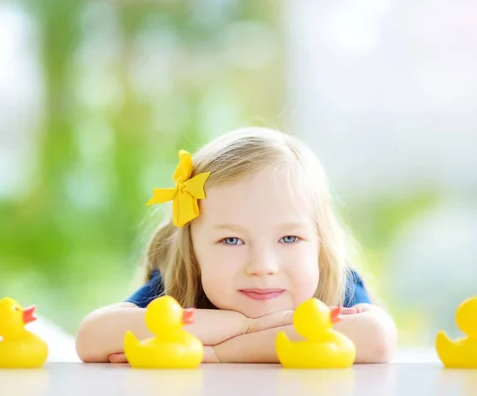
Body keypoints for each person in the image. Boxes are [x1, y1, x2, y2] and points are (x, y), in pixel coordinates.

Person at [76, 127, 397, 363]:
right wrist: (245, 324)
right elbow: (92, 337)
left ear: (319, 244)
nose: (262, 266)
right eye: (232, 240)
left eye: (289, 238)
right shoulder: (178, 286)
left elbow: (377, 339)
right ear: (193, 251)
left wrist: (217, 351)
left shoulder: (334, 282)